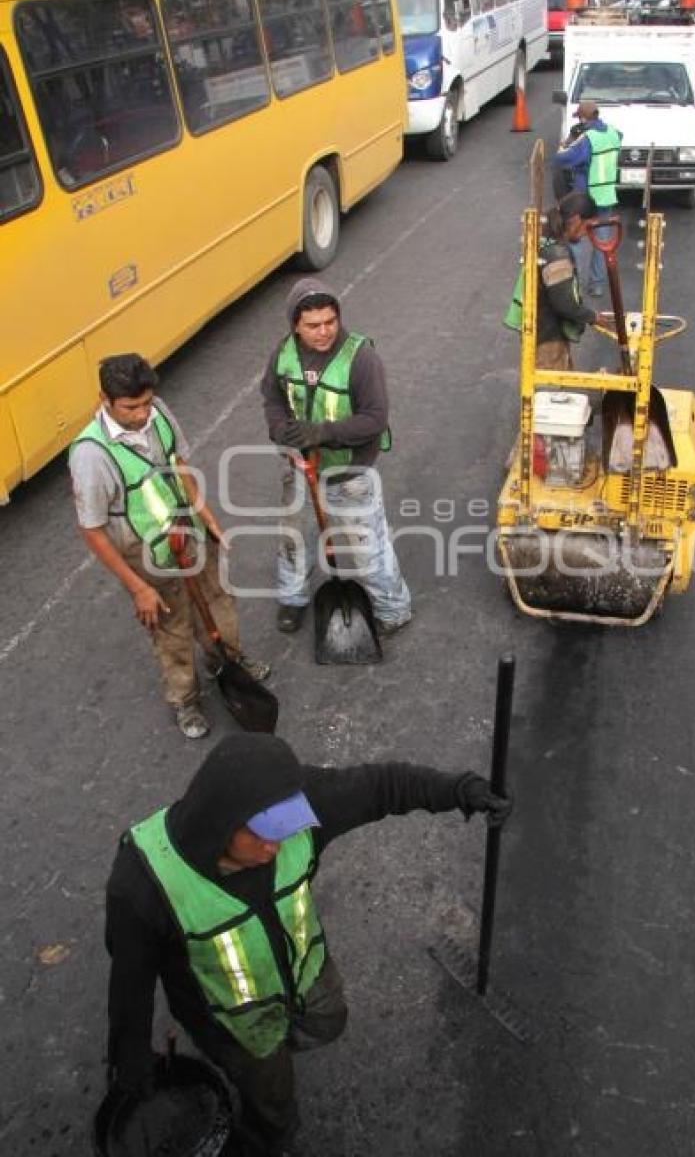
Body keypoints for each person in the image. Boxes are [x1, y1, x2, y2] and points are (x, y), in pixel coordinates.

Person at [105, 732, 513, 1156]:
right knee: (272, 1094)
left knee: (329, 1019)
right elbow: (130, 985)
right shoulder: (143, 883)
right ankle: (268, 1138)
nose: (274, 846)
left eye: (283, 830)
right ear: (220, 822)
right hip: (233, 1025)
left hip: (304, 970)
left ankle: (284, 1041)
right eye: (260, 834)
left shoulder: (301, 804)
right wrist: (131, 1061)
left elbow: (383, 787)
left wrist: (462, 790)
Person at [69, 353, 269, 740]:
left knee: (217, 601)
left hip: (188, 531)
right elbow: (92, 530)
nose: (142, 414)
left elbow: (178, 463)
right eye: (131, 407)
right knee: (172, 627)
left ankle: (226, 661)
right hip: (145, 556)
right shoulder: (91, 455)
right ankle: (185, 700)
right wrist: (139, 588)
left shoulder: (157, 412)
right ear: (104, 400)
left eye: (146, 403)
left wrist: (206, 517)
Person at [261, 278, 411, 638]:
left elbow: (375, 419)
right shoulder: (284, 353)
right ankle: (293, 598)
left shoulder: (361, 358)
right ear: (295, 325)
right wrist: (280, 429)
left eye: (331, 321)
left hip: (350, 476)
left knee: (368, 550)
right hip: (300, 471)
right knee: (294, 540)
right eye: (313, 325)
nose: (324, 331)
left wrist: (322, 433)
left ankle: (393, 609)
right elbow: (272, 398)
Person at [503, 190, 598, 371]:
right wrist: (593, 317)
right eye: (588, 227)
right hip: (548, 340)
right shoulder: (557, 255)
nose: (587, 234)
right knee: (553, 395)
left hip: (537, 332)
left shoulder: (545, 241)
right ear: (577, 219)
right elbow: (564, 303)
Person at [553, 99, 622, 298]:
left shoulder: (586, 139)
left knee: (575, 238)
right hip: (606, 195)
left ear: (583, 117)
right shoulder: (612, 133)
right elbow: (619, 138)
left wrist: (563, 147)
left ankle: (573, 281)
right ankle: (597, 285)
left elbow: (563, 159)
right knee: (602, 242)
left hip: (585, 197)